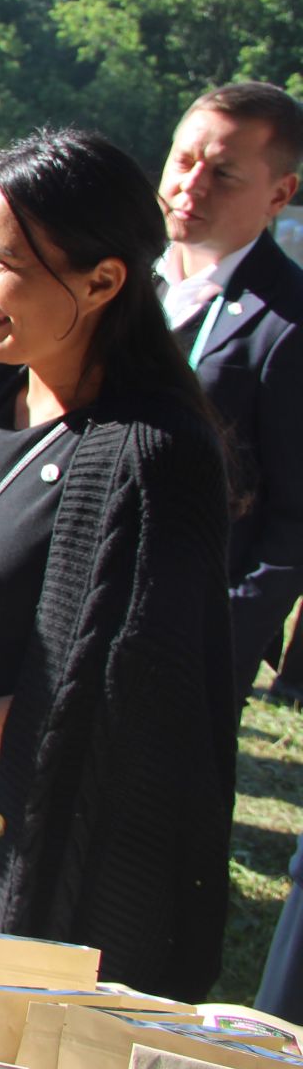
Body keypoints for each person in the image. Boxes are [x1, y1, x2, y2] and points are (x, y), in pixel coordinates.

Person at [0, 127, 234, 1002]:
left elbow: (91, 723)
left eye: (1, 264)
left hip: (43, 869)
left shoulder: (155, 461)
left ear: (103, 283)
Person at [152, 82, 303, 705]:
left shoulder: (287, 325)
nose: (192, 186)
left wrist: (217, 641)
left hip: (184, 653)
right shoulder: (124, 277)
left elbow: (294, 524)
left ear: (279, 195)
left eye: (224, 174)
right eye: (184, 162)